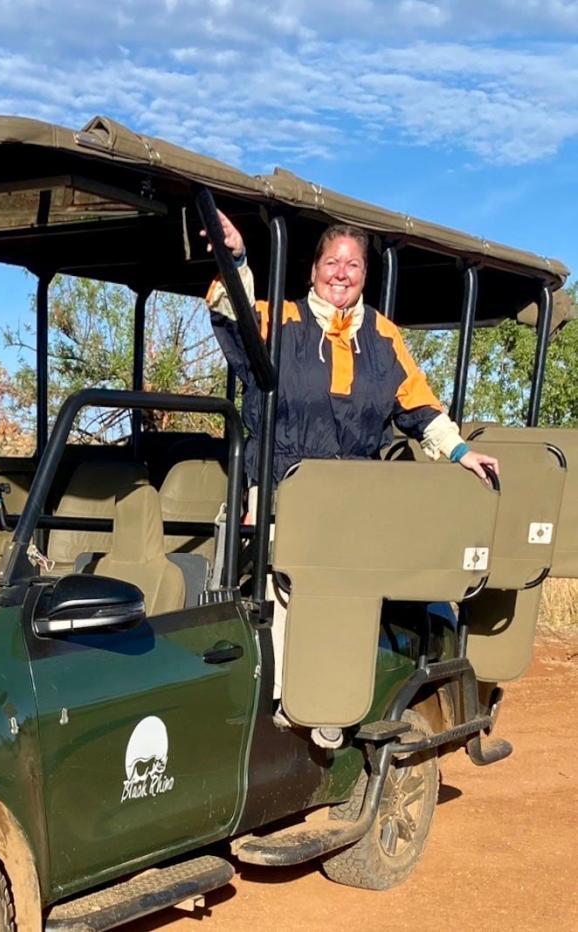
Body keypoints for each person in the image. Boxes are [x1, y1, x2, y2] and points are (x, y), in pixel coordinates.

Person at [203, 212, 498, 747]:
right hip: (280, 493)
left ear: (365, 275)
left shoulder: (383, 336)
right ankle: (285, 713)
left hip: (353, 503)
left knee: (344, 598)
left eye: (353, 265)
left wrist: (458, 451)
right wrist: (237, 257)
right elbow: (233, 311)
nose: (341, 273)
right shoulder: (283, 320)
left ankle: (331, 704)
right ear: (314, 268)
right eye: (332, 262)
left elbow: (420, 406)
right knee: (284, 597)